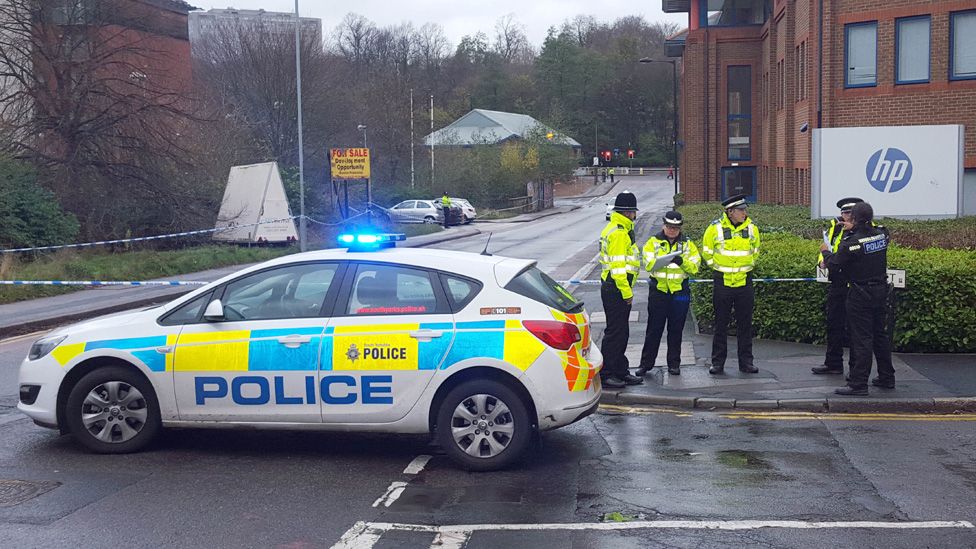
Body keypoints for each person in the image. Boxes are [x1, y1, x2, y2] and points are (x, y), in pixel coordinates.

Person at [821, 202, 894, 396]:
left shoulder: (852, 242)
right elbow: (873, 237)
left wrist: (825, 252)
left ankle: (858, 383)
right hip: (881, 290)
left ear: (853, 218)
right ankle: (887, 377)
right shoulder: (881, 234)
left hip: (860, 294)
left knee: (862, 339)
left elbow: (835, 263)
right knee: (880, 336)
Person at [702, 194, 761, 375]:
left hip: (744, 282)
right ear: (729, 212)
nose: (744, 213)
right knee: (720, 325)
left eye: (744, 210)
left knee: (745, 325)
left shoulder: (752, 228)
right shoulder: (714, 229)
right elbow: (706, 252)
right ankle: (718, 363)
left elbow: (756, 251)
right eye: (741, 210)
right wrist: (719, 268)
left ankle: (746, 363)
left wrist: (744, 267)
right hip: (723, 282)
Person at [636, 211, 700, 376]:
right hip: (659, 291)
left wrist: (682, 261)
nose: (672, 230)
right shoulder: (653, 242)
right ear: (664, 225)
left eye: (676, 227)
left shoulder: (687, 244)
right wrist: (665, 260)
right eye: (669, 227)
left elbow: (695, 267)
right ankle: (645, 364)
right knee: (654, 329)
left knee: (676, 329)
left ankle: (674, 364)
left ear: (680, 228)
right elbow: (649, 264)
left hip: (680, 292)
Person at [811, 197, 862, 376]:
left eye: (848, 213)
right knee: (834, 324)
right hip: (837, 283)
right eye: (843, 213)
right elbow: (827, 248)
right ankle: (833, 364)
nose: (844, 217)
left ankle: (856, 370)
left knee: (855, 330)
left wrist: (829, 257)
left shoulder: (864, 231)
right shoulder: (836, 228)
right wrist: (822, 262)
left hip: (855, 286)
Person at [599, 191, 644, 388]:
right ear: (628, 213)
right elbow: (618, 270)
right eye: (633, 211)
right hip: (616, 288)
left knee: (621, 332)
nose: (635, 215)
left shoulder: (621, 229)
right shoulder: (618, 233)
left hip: (616, 287)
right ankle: (608, 373)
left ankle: (620, 370)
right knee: (615, 333)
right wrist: (627, 294)